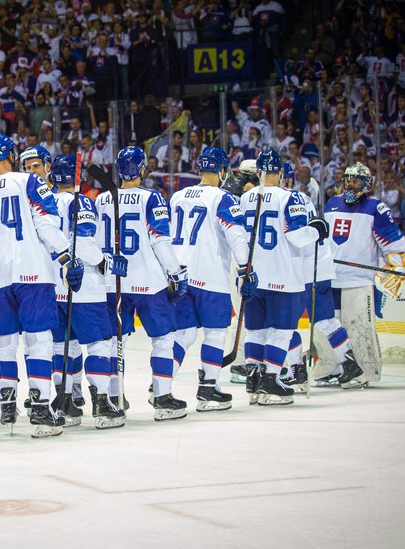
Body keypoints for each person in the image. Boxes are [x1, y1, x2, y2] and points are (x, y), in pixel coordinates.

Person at [0, 133, 83, 437]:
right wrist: (66, 257)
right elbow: (46, 222)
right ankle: (41, 408)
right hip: (31, 270)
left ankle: (7, 405)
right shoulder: (29, 181)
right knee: (38, 340)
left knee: (2, 342)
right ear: (11, 154)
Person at [95, 146, 189, 421]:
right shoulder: (152, 198)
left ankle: (113, 397)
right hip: (149, 281)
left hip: (113, 281)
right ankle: (161, 396)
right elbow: (160, 239)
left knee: (113, 340)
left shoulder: (101, 199)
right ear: (141, 170)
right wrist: (176, 273)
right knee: (163, 339)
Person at [169, 147, 255, 411]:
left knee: (182, 333)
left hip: (180, 274)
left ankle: (161, 383)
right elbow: (237, 236)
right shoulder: (224, 198)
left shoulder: (177, 196)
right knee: (216, 333)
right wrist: (245, 269)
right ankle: (208, 390)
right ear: (222, 171)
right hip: (210, 276)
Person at [240, 150, 326, 406]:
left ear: (258, 172)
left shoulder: (245, 198)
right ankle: (271, 381)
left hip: (253, 276)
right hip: (283, 276)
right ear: (280, 172)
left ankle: (253, 378)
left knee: (255, 331)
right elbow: (297, 236)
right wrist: (318, 229)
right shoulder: (291, 197)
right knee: (281, 331)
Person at [49, 155, 128, 428]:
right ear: (77, 176)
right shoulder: (80, 201)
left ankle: (65, 404)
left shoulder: (45, 201)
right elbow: (81, 242)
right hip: (83, 286)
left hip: (54, 285)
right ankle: (102, 404)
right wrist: (104, 261)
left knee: (63, 346)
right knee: (99, 342)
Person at [277, 164, 364, 391]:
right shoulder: (302, 199)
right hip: (321, 269)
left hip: (305, 272)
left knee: (283, 324)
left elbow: (292, 238)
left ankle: (296, 369)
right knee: (326, 321)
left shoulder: (284, 199)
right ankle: (350, 362)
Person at [321, 162, 405, 387]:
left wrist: (396, 265)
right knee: (327, 325)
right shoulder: (332, 203)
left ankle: (366, 370)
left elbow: (393, 241)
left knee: (358, 325)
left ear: (367, 184)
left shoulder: (375, 208)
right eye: (348, 179)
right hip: (331, 277)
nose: (351, 184)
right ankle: (331, 366)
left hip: (358, 279)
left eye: (356, 180)